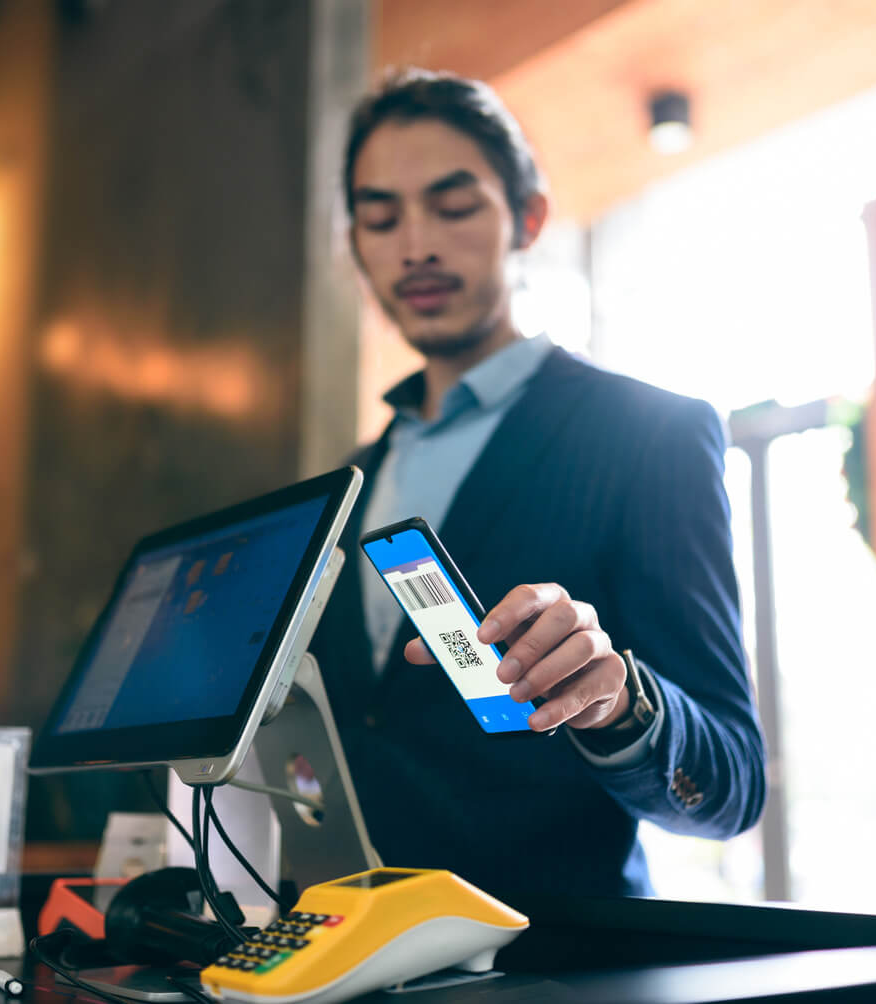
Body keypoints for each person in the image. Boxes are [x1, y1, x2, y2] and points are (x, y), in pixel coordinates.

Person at [307, 68, 765, 898]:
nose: (415, 245)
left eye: (453, 206)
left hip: (559, 961)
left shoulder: (651, 436)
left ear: (529, 217)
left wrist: (621, 702)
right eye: (381, 217)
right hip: (354, 956)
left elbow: (732, 784)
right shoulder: (347, 483)